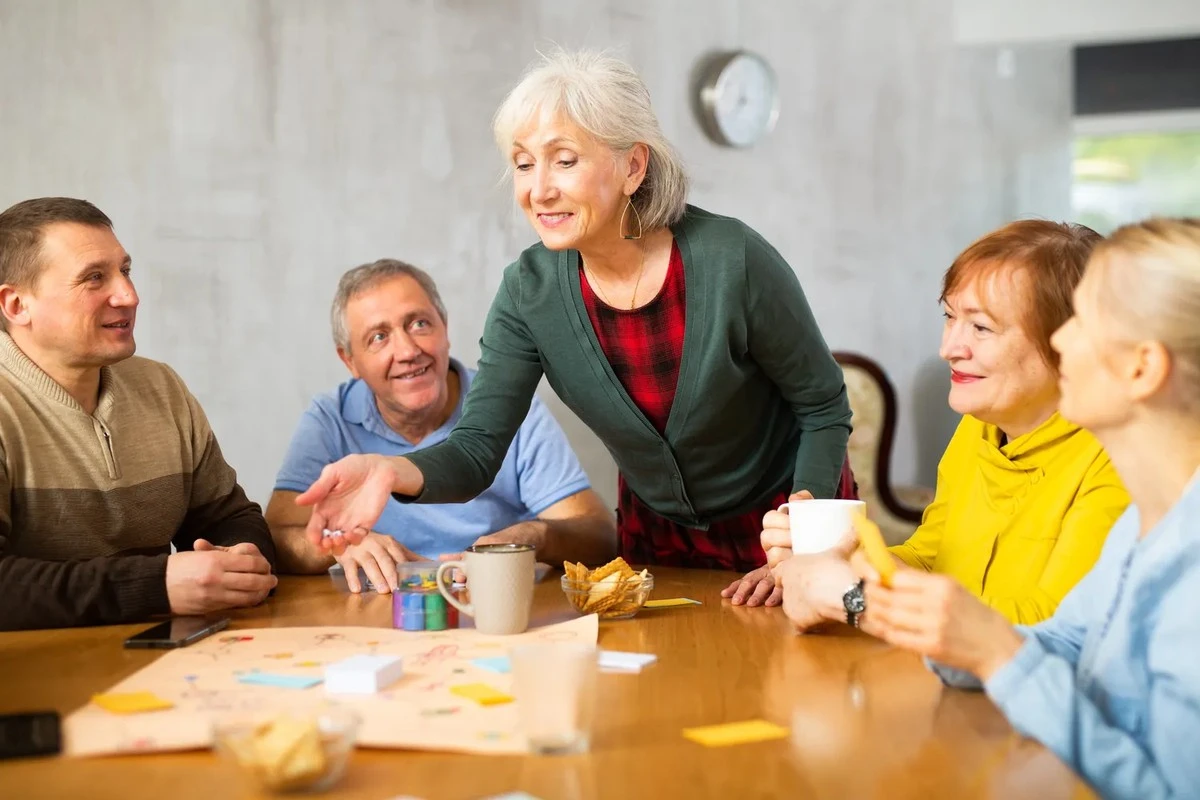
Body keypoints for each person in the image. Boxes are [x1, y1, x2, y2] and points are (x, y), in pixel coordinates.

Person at [290, 50, 857, 604]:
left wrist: (801, 544)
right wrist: (391, 470)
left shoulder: (733, 260)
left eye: (564, 160)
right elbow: (476, 449)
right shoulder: (528, 292)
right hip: (655, 547)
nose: (539, 190)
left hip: (783, 534)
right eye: (522, 163)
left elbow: (822, 405)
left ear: (633, 166)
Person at [854, 218, 1200, 799]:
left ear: (1143, 367)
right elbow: (1061, 641)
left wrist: (995, 651)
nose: (1059, 341)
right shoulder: (1148, 527)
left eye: (1081, 323)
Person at [767, 220, 1129, 626]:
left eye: (980, 327)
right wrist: (830, 558)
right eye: (950, 317)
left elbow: (1053, 629)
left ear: (1070, 342)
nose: (948, 349)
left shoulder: (1121, 460)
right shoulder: (980, 427)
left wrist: (854, 597)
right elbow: (929, 559)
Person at [0, 197, 277, 631]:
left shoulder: (161, 386)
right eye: (94, 278)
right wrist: (157, 584)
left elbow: (227, 516)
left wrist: (237, 558)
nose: (129, 296)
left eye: (124, 271)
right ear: (17, 306)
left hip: (159, 665)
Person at [266, 259, 616, 592]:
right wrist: (337, 547)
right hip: (381, 613)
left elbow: (598, 536)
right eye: (378, 337)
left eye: (419, 323)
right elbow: (275, 538)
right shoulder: (330, 419)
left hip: (491, 607)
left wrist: (529, 538)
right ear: (349, 360)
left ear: (444, 328)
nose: (407, 351)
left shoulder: (507, 405)